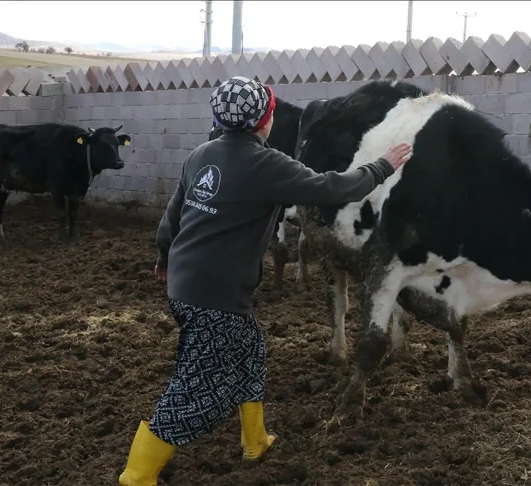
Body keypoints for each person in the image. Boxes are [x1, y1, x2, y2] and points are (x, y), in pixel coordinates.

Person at [117, 76, 413, 486]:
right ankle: (137, 475)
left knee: (250, 351)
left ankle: (255, 440)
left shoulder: (201, 154)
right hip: (216, 293)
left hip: (187, 282)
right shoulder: (267, 163)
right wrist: (383, 166)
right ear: (266, 119)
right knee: (198, 389)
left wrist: (164, 257)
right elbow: (331, 188)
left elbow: (173, 214)